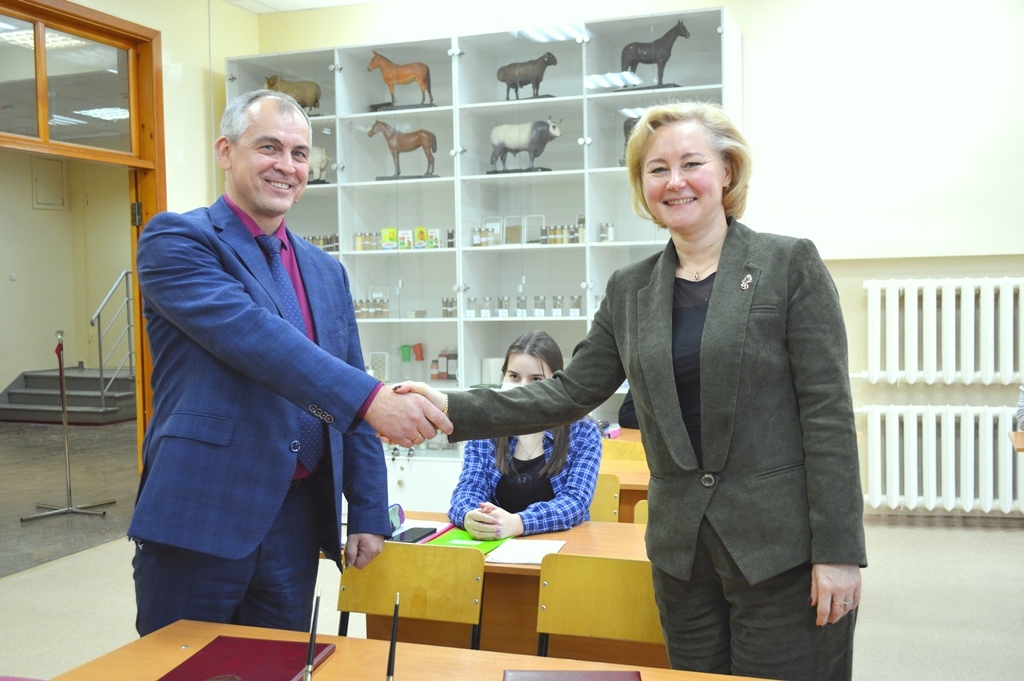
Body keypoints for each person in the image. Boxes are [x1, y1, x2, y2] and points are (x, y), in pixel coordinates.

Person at [397, 101, 866, 680]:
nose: (675, 181)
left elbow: (827, 415)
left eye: (691, 163)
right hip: (682, 558)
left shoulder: (788, 264)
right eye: (656, 169)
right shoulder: (630, 290)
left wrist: (839, 550)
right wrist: (451, 404)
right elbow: (568, 392)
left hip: (781, 551)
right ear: (642, 186)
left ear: (727, 170)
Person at [129, 90, 451, 637]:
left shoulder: (326, 271)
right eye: (269, 148)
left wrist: (368, 510)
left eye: (300, 154)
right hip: (202, 513)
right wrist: (372, 400)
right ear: (225, 151)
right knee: (183, 666)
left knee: (279, 667)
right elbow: (256, 339)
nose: (287, 165)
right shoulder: (177, 240)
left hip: (297, 522)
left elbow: (349, 379)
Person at [449, 331, 602, 539]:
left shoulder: (582, 431)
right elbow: (468, 489)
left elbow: (575, 502)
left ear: (557, 382)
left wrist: (518, 523)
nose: (522, 388)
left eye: (536, 379)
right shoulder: (485, 427)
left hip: (563, 546)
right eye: (514, 376)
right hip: (497, 543)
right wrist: (469, 516)